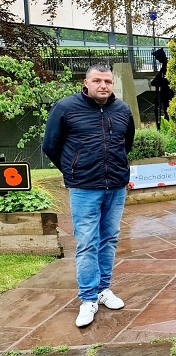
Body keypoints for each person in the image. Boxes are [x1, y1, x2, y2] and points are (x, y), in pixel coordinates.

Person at [42, 64, 135, 328]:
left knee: (109, 239)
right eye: (97, 80)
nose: (103, 85)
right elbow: (51, 145)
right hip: (84, 189)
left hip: (115, 186)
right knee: (86, 242)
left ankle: (104, 289)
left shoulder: (122, 110)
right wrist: (73, 171)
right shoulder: (65, 108)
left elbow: (126, 143)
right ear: (86, 82)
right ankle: (87, 298)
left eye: (107, 81)